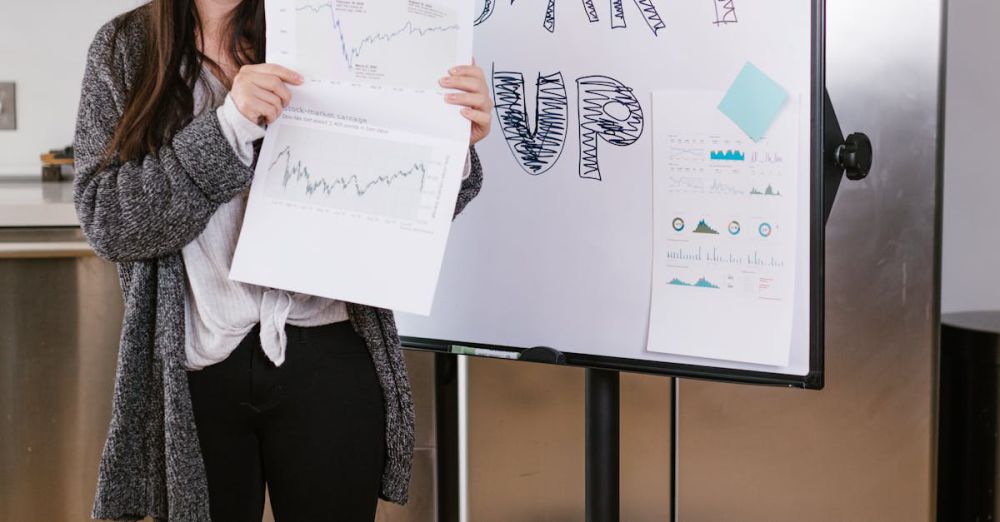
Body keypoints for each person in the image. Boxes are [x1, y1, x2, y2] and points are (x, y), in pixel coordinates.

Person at [73, 0, 490, 520]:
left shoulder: (329, 22)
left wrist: (450, 141)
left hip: (330, 350)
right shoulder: (124, 50)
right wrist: (229, 127)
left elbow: (391, 196)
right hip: (196, 367)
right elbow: (109, 222)